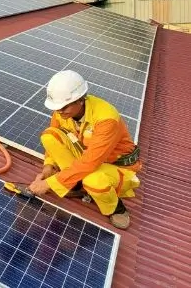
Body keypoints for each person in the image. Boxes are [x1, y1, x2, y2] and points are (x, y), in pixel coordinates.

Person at [28, 70, 142, 229]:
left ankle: (115, 208)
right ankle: (75, 186)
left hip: (116, 166)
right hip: (87, 158)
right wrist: (49, 166)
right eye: (57, 107)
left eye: (63, 106)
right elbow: (54, 140)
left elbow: (90, 162)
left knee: (93, 180)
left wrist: (49, 184)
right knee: (49, 136)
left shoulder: (106, 119)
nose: (59, 111)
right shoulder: (61, 113)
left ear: (80, 100)